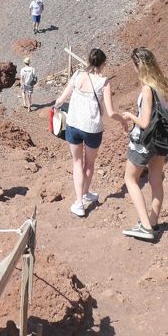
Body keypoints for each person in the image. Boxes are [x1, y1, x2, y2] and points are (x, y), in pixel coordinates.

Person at [53, 48, 123, 218]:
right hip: (92, 129)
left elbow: (61, 99)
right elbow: (111, 112)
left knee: (77, 162)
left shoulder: (77, 75)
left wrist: (55, 109)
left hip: (73, 125)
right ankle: (83, 196)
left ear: (89, 60)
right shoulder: (104, 82)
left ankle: (80, 203)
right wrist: (123, 121)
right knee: (89, 164)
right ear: (103, 63)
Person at [121, 47, 168, 241]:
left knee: (130, 179)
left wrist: (129, 116)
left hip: (145, 142)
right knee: (155, 180)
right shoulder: (162, 85)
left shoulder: (147, 89)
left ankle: (145, 227)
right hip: (160, 141)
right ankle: (153, 222)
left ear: (139, 65)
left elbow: (144, 123)